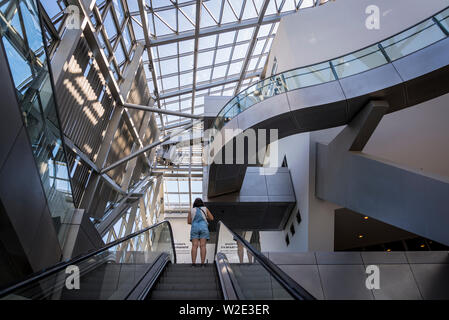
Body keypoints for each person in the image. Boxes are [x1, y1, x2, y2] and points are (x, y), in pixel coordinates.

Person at [187, 198, 214, 267]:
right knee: (203, 245)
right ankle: (202, 263)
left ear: (194, 203)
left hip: (194, 228)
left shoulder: (191, 210)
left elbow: (189, 222)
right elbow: (212, 218)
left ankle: (193, 263)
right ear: (202, 203)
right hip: (203, 227)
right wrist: (205, 218)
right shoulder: (205, 209)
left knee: (194, 246)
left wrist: (195, 221)